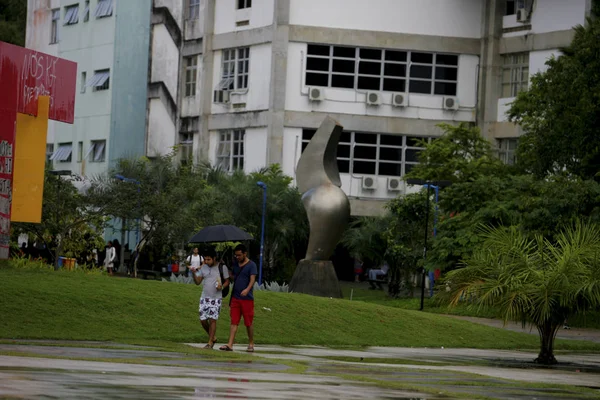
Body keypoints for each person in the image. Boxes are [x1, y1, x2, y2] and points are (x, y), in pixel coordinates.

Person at [220, 244, 257, 352]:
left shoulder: (252, 265)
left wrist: (247, 289)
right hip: (235, 297)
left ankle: (251, 343)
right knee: (234, 321)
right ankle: (230, 344)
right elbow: (233, 277)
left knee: (248, 322)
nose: (237, 257)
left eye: (239, 255)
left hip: (247, 299)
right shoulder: (236, 264)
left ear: (245, 254)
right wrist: (224, 268)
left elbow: (252, 279)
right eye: (236, 255)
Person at [191, 249, 229, 349]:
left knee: (213, 320)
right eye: (205, 259)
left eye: (209, 259)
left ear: (214, 258)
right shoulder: (203, 267)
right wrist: (194, 273)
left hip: (216, 298)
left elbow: (227, 281)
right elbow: (198, 282)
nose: (206, 261)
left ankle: (210, 342)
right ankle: (213, 337)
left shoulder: (222, 267)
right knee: (203, 320)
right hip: (204, 297)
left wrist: (222, 286)